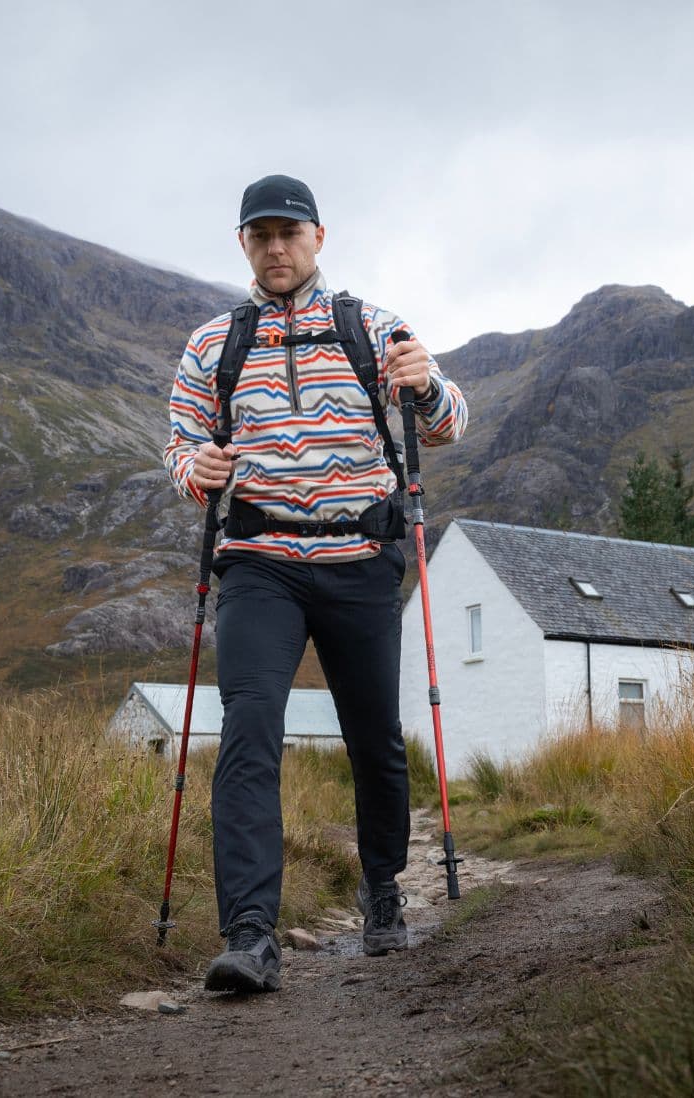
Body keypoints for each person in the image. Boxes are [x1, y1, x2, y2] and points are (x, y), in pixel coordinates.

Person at [164, 174, 468, 993]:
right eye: (259, 235)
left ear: (318, 238)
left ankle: (382, 891)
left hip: (361, 564)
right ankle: (251, 934)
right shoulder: (213, 345)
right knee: (249, 730)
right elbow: (181, 449)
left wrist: (427, 382)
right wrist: (199, 467)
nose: (275, 248)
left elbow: (445, 424)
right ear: (242, 244)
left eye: (288, 233)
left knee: (374, 739)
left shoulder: (372, 327)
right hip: (260, 562)